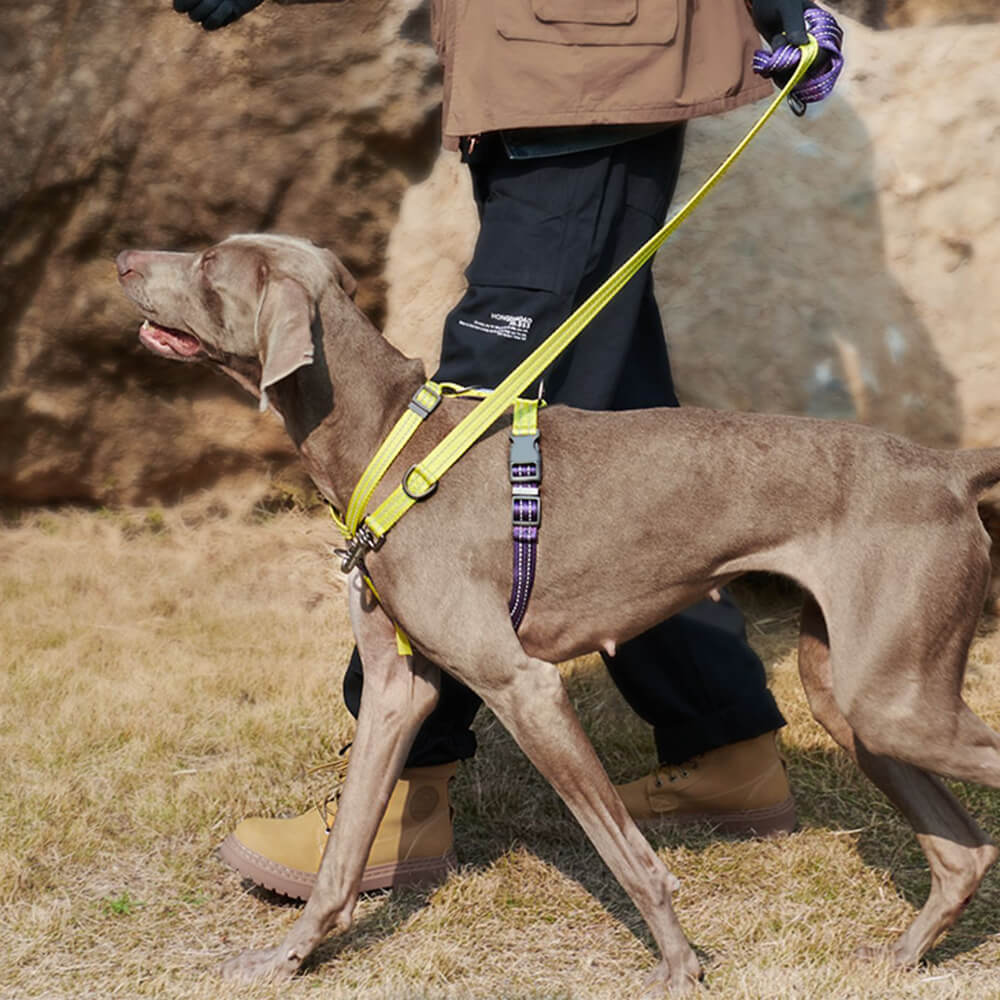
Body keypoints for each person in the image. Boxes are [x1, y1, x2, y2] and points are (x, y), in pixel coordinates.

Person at [174, 0, 813, 900]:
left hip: (583, 62)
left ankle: (403, 793)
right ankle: (727, 743)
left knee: (464, 428)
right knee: (606, 396)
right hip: (556, 67)